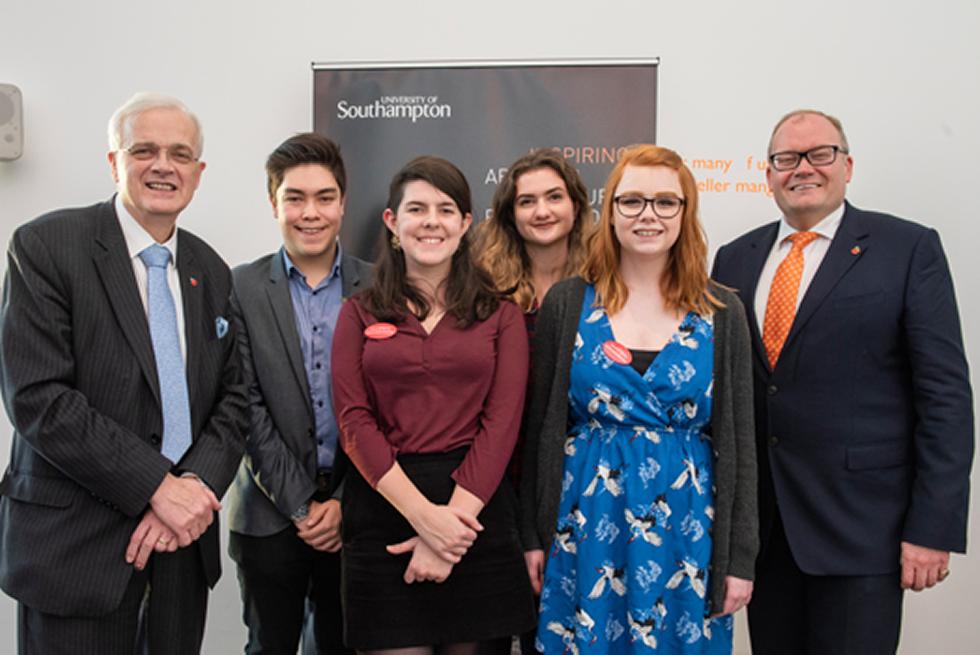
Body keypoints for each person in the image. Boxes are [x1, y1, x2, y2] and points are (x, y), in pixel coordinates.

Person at [711, 109, 974, 655]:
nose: (802, 168)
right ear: (769, 174)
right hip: (765, 535)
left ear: (847, 165)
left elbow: (945, 397)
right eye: (787, 158)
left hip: (863, 532)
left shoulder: (907, 249)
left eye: (819, 154)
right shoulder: (734, 259)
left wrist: (933, 526)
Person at [0, 93, 246, 654]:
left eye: (180, 154)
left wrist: (192, 490)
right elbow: (39, 398)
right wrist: (157, 487)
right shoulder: (46, 246)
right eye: (144, 150)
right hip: (76, 554)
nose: (164, 165)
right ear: (114, 162)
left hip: (180, 552)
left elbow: (233, 401)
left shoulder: (210, 269)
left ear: (198, 172)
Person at [521, 144, 758, 654]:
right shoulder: (568, 301)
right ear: (611, 213)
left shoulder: (723, 310)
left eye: (664, 202)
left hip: (689, 531)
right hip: (584, 529)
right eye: (632, 201)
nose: (647, 215)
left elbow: (740, 442)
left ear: (685, 212)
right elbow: (541, 429)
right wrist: (533, 535)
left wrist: (739, 559)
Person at [331, 156, 536, 654]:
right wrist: (426, 519)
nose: (431, 221)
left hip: (475, 516)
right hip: (385, 509)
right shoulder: (357, 313)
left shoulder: (501, 314)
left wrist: (450, 530)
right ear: (391, 221)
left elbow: (502, 423)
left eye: (446, 210)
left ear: (466, 224)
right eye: (417, 208)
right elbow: (354, 421)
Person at [227, 132, 372, 654]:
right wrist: (301, 507)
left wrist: (341, 504)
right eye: (295, 197)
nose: (310, 213)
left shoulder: (379, 288)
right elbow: (241, 404)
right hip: (268, 518)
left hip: (358, 515)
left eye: (324, 198)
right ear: (274, 204)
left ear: (342, 204)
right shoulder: (239, 288)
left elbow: (388, 409)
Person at [474, 145, 593, 655]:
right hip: (498, 478)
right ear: (508, 213)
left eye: (554, 197)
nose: (542, 211)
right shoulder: (482, 288)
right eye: (527, 201)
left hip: (581, 478)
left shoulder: (606, 285)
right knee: (492, 627)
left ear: (576, 206)